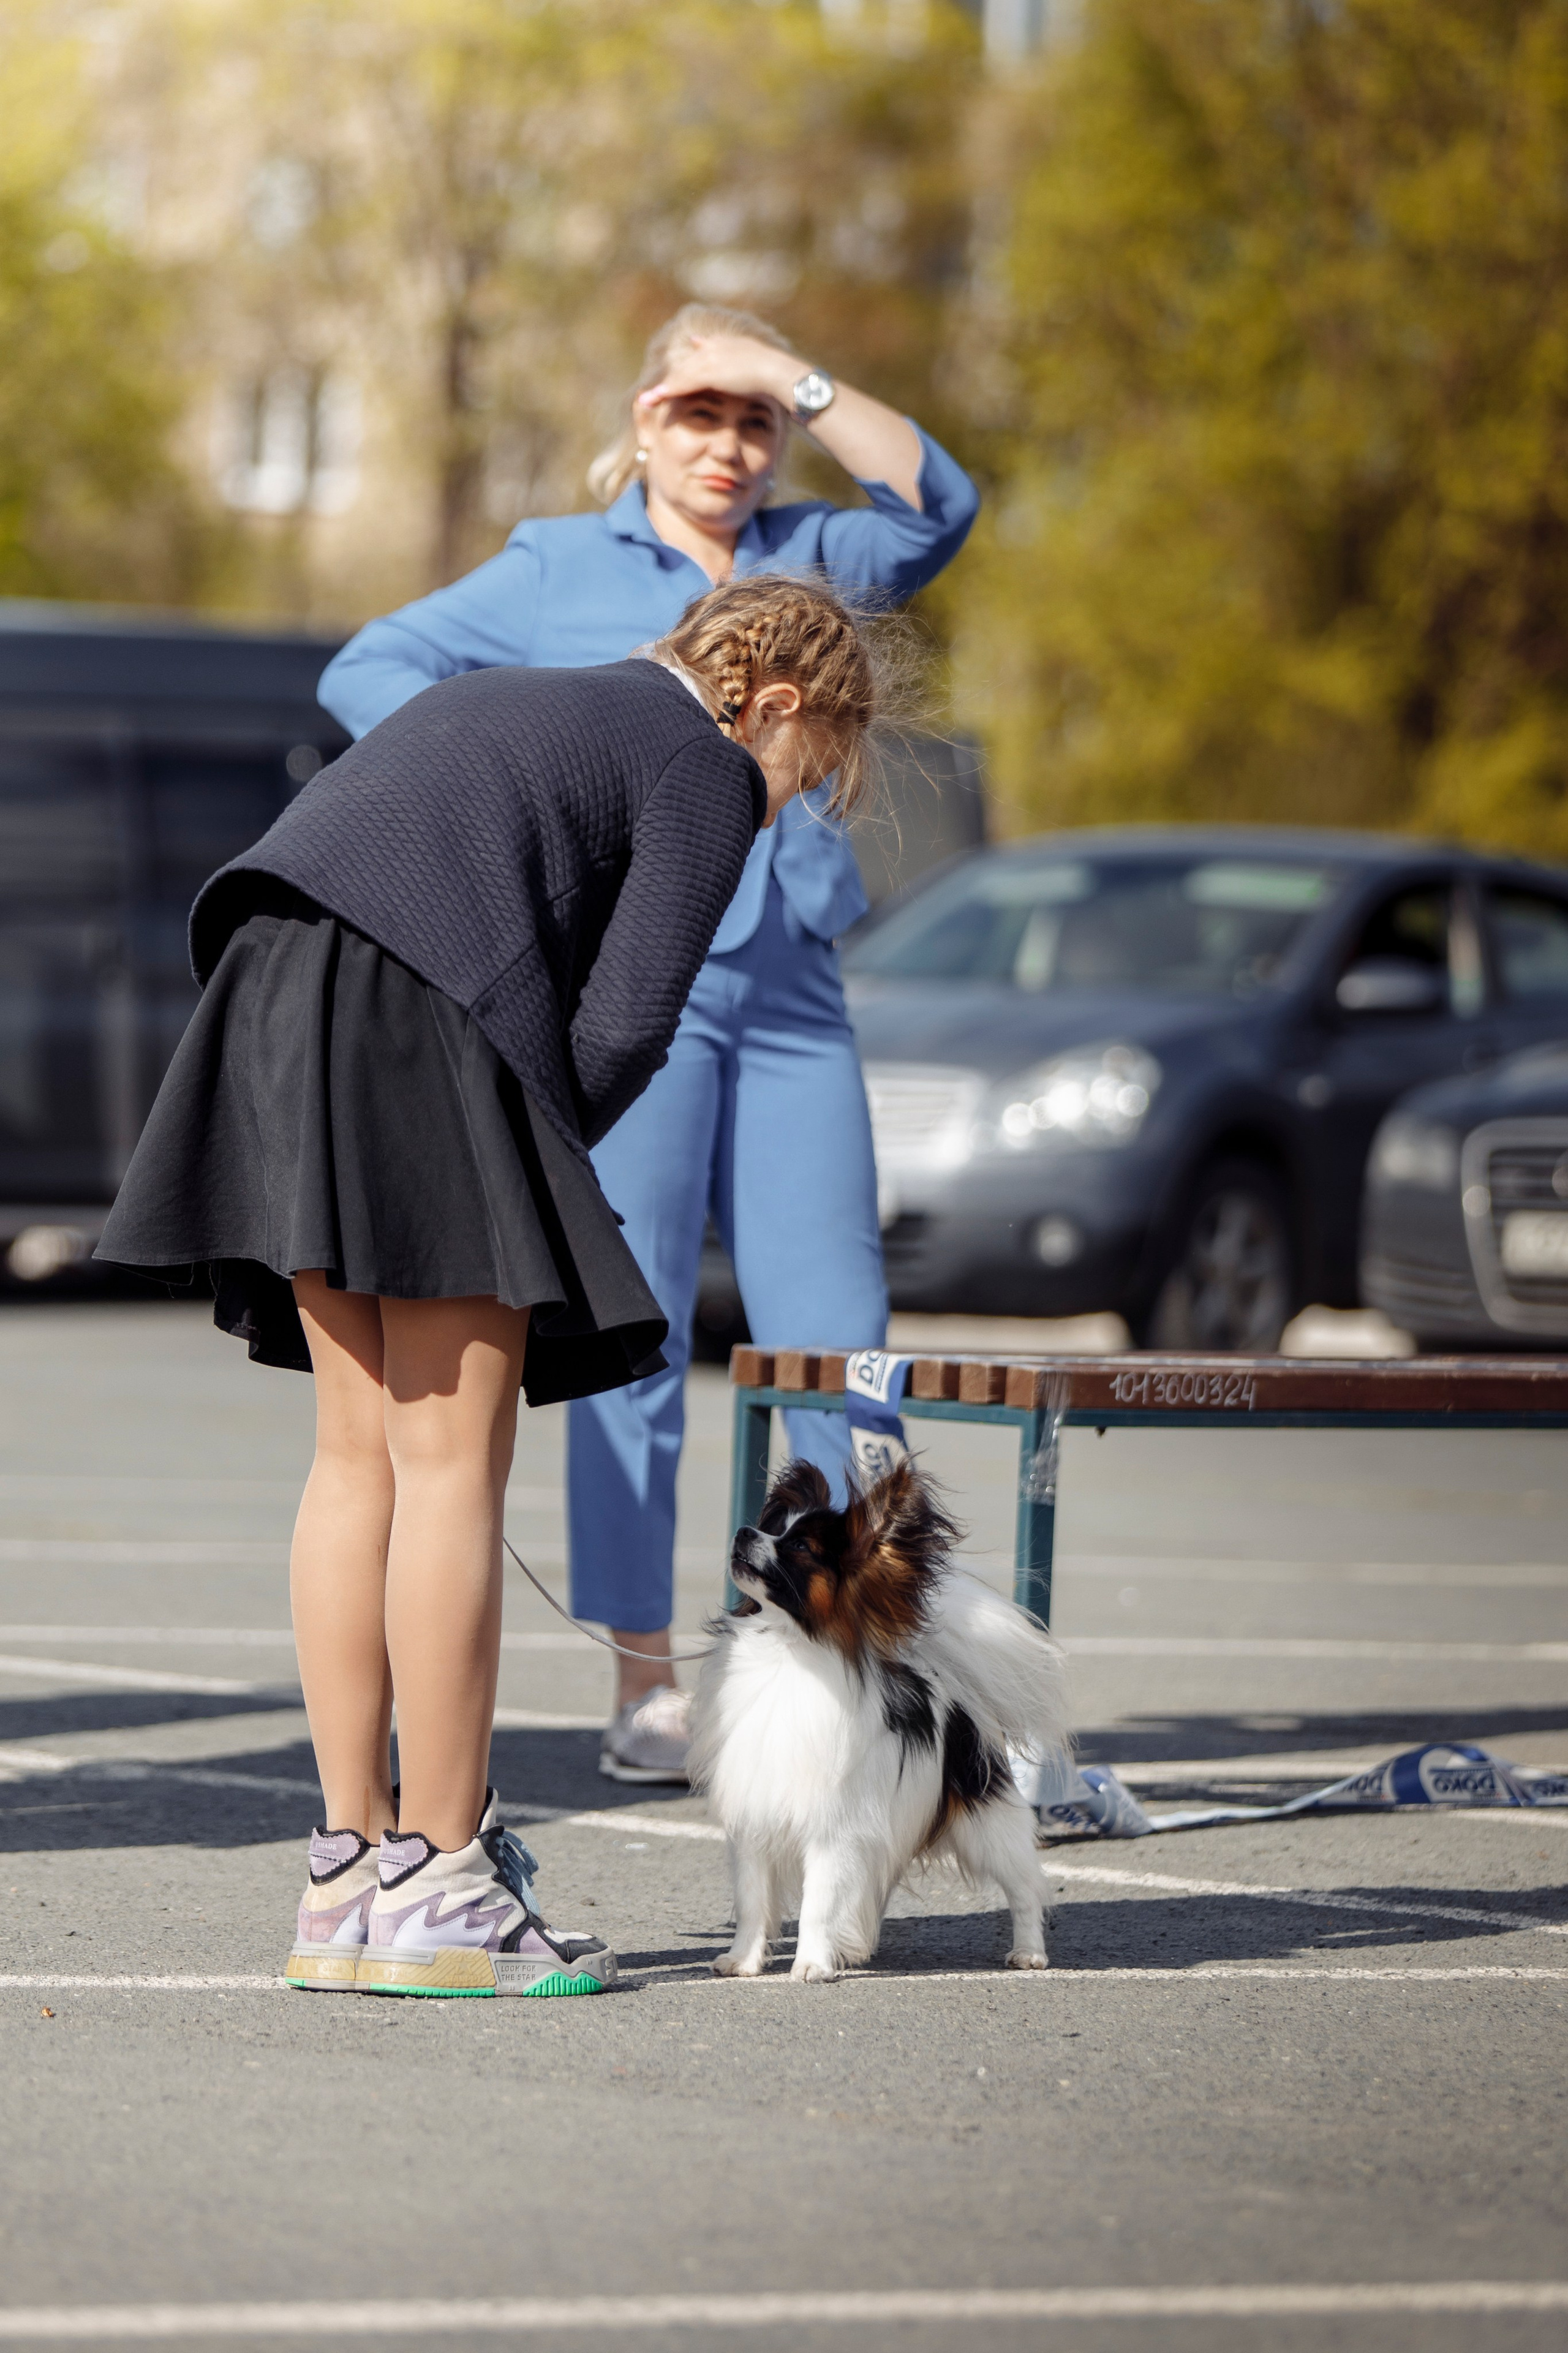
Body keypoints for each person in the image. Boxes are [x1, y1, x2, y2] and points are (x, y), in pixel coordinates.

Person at [96, 575, 881, 1998]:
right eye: (806, 776)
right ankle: (446, 1880)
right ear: (770, 705)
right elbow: (634, 1017)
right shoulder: (701, 764)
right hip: (413, 1011)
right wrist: (534, 1175)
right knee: (452, 1467)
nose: (783, 808)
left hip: (275, 986)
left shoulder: (524, 699)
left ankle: (348, 1873)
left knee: (358, 1461)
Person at [318, 301, 979, 1785]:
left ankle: (851, 1652)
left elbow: (943, 503)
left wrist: (792, 372)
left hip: (791, 984)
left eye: (751, 419)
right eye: (697, 412)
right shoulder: (559, 562)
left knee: (837, 1327)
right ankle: (644, 1680)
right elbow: (367, 672)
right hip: (634, 978)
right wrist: (513, 795)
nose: (728, 443)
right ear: (640, 424)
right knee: (631, 1329)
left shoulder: (820, 553)